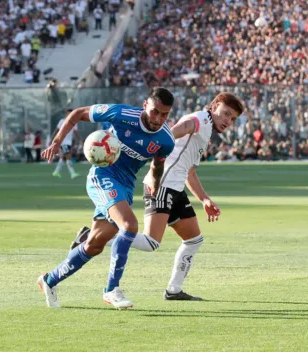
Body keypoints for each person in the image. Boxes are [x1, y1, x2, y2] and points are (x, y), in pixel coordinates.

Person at [70, 92, 245, 300]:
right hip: (163, 186)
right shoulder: (198, 120)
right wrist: (155, 161)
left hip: (176, 188)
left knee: (194, 240)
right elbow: (168, 135)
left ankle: (174, 290)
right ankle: (91, 237)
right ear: (214, 105)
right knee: (152, 242)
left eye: (232, 118)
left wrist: (204, 199)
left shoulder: (205, 128)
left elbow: (189, 172)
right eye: (226, 114)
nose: (228, 121)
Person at [38, 87, 176, 309]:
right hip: (102, 176)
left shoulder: (166, 139)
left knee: (94, 245)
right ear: (145, 106)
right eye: (155, 112)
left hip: (125, 186)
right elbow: (78, 114)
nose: (158, 119)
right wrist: (57, 141)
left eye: (164, 114)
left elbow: (158, 164)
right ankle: (112, 289)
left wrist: (156, 185)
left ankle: (49, 280)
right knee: (129, 225)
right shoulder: (121, 114)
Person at [51, 109, 81, 179]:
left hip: (69, 142)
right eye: (68, 113)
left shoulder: (74, 122)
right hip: (63, 142)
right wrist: (52, 139)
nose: (69, 115)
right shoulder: (62, 121)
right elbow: (57, 130)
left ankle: (56, 172)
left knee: (62, 157)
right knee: (68, 157)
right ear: (66, 114)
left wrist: (79, 140)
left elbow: (76, 132)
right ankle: (72, 173)